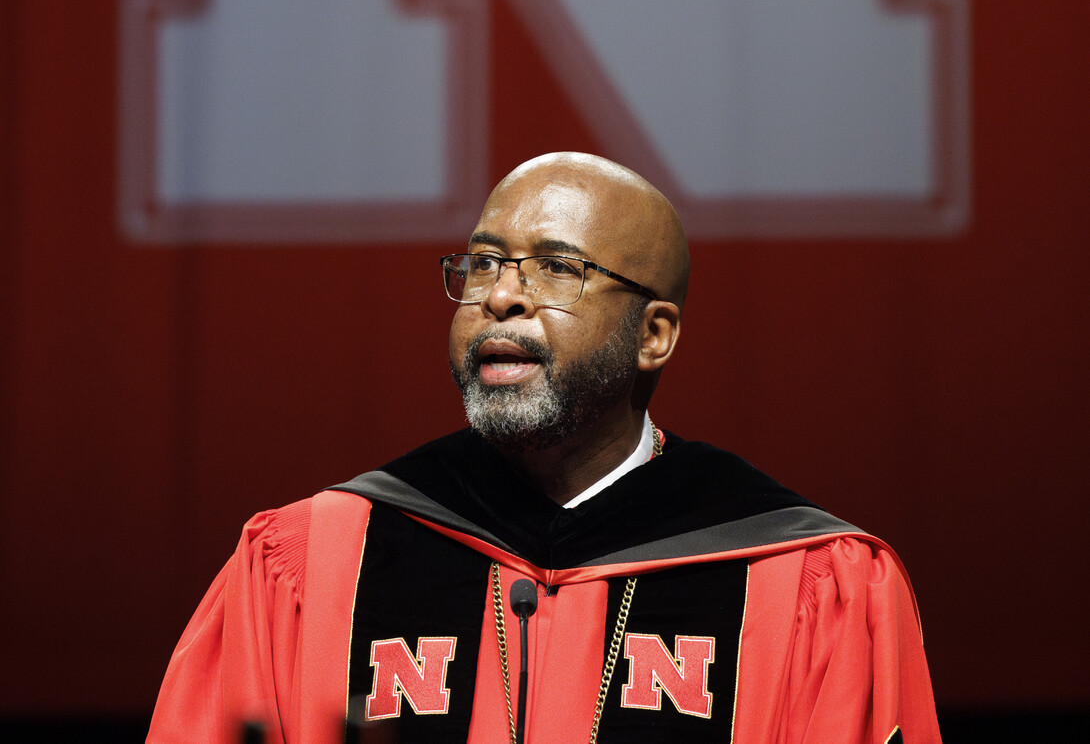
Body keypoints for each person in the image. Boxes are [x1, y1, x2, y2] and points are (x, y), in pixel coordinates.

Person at [147, 152, 941, 744]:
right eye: (484, 262)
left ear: (654, 335)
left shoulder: (807, 578)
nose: (499, 296)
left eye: (557, 269)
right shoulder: (312, 560)